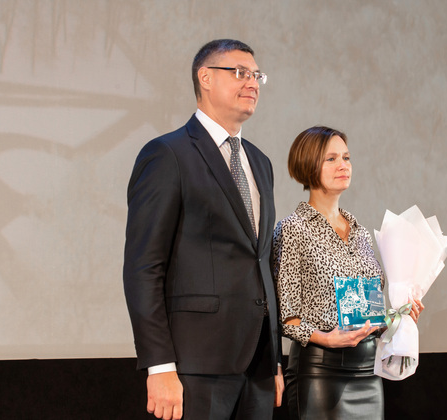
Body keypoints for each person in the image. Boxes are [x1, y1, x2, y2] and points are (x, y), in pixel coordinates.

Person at [123, 39, 283, 420]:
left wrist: (275, 360)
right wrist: (159, 365)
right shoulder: (168, 155)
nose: (252, 83)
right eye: (240, 73)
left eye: (257, 75)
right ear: (206, 78)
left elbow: (260, 262)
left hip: (258, 367)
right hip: (193, 367)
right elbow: (144, 267)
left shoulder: (260, 162)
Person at [272, 126, 424, 419]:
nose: (343, 165)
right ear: (308, 165)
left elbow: (367, 314)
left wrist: (396, 318)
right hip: (320, 370)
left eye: (346, 157)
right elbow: (286, 316)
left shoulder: (360, 233)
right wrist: (326, 338)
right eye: (331, 159)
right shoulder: (292, 229)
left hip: (368, 370)